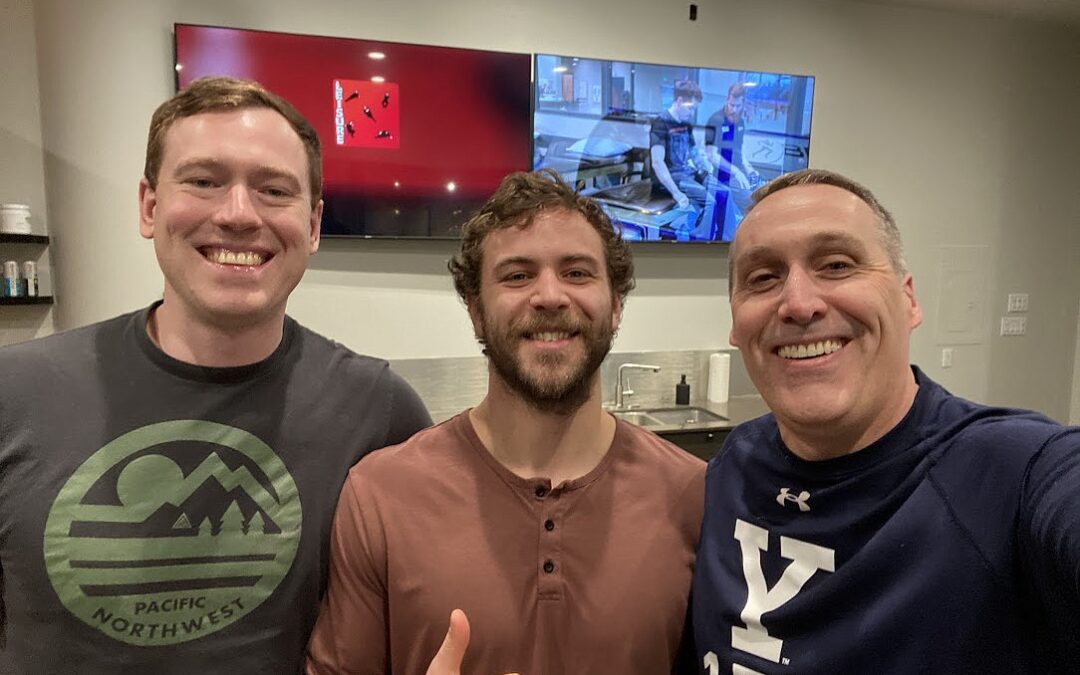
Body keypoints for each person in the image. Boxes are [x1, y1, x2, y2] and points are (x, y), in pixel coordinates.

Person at [0, 76, 431, 674]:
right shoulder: (15, 393)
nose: (237, 214)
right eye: (203, 181)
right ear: (150, 207)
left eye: (275, 189)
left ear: (312, 225)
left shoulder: (379, 410)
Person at [305, 169, 705, 674]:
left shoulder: (693, 495)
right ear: (476, 311)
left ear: (617, 304)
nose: (550, 296)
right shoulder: (380, 497)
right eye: (517, 275)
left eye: (577, 273)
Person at [692, 168, 1080, 673]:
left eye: (836, 264)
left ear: (909, 299)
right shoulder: (733, 466)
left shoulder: (1013, 474)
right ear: (735, 323)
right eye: (763, 278)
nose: (799, 304)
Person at [649, 80, 717, 240]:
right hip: (671, 178)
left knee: (720, 191)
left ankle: (705, 229)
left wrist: (706, 168)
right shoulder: (661, 123)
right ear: (679, 101)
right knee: (710, 202)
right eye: (691, 108)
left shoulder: (686, 124)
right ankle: (700, 239)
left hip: (686, 173)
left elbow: (694, 153)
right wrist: (677, 194)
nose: (692, 113)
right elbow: (657, 163)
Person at [704, 83, 758, 239]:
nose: (734, 109)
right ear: (727, 99)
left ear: (743, 104)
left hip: (738, 175)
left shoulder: (740, 123)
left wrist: (750, 170)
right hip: (723, 177)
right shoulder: (715, 120)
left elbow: (740, 153)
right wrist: (737, 172)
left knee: (762, 198)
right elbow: (712, 155)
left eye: (738, 106)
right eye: (731, 105)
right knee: (754, 206)